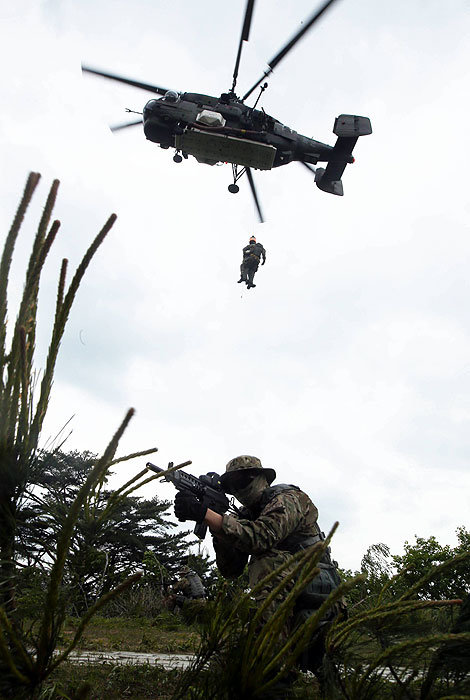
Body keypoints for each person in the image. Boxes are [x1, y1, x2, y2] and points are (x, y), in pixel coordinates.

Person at [174, 455, 342, 677]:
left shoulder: (289, 498)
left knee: (266, 561)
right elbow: (231, 570)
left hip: (317, 590)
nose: (239, 489)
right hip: (287, 597)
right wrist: (216, 525)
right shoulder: (246, 516)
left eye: (243, 480)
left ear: (263, 478)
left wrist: (207, 514)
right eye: (232, 485)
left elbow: (261, 537)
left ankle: (275, 664)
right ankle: (271, 666)